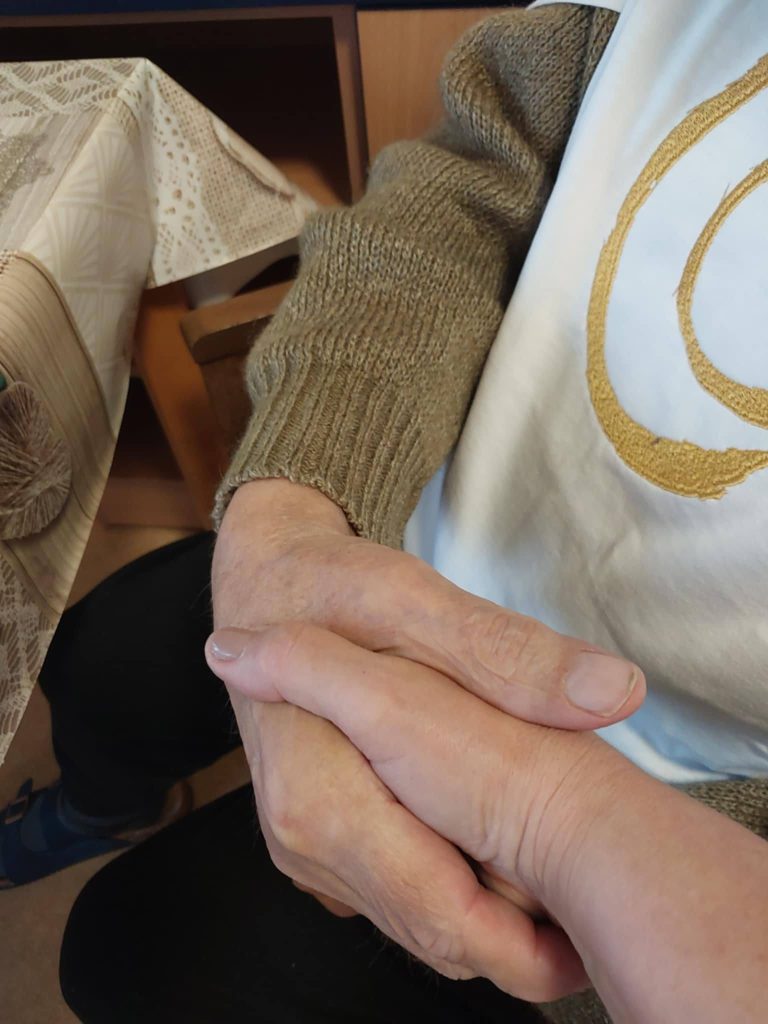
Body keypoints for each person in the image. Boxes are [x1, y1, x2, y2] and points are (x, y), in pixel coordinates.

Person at [4, 1, 768, 1021]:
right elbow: (465, 190)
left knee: (123, 950)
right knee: (93, 661)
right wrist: (292, 504)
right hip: (393, 527)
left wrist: (551, 826)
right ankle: (108, 805)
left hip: (636, 825)